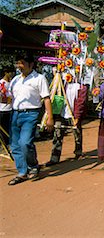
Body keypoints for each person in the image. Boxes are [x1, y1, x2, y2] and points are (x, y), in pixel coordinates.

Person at [8, 54, 54, 185]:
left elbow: (46, 98)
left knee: (25, 142)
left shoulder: (39, 78)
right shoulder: (15, 80)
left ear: (31, 64)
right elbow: (10, 98)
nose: (19, 66)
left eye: (22, 63)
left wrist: (49, 117)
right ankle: (22, 172)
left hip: (31, 114)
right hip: (15, 114)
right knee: (15, 145)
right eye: (18, 63)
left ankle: (33, 165)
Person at [45, 81, 88, 166]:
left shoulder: (81, 86)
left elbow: (81, 102)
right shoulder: (61, 82)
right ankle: (54, 157)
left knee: (77, 133)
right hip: (61, 113)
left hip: (73, 113)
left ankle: (78, 152)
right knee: (57, 133)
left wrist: (77, 116)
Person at [0, 68, 15, 145]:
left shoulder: (12, 83)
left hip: (11, 109)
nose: (12, 74)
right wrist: (8, 100)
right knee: (3, 128)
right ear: (6, 73)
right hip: (3, 109)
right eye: (10, 72)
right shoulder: (2, 83)